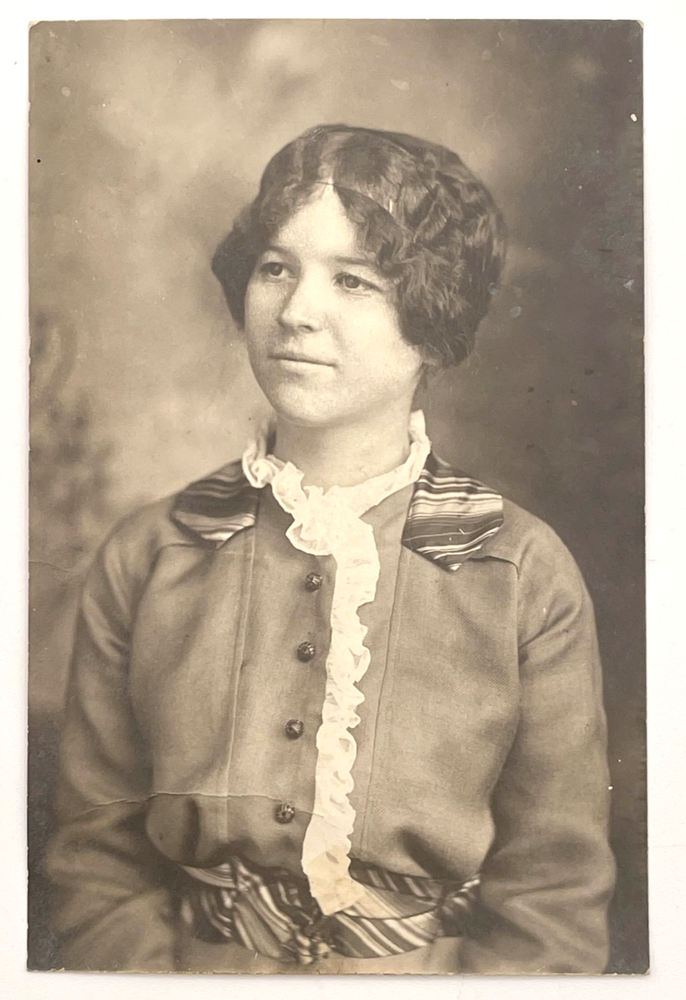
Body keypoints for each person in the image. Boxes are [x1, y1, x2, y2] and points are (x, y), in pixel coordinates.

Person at [47, 123, 615, 975]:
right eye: (276, 268)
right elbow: (95, 869)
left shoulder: (520, 573)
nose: (297, 310)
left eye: (352, 280)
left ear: (431, 315)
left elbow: (554, 902)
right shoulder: (152, 555)